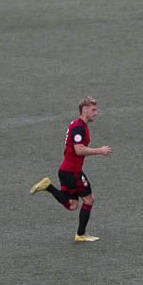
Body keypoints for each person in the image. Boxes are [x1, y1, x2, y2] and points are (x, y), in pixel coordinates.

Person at [29, 96, 113, 242]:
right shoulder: (79, 127)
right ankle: (80, 235)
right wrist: (100, 150)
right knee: (89, 200)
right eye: (93, 110)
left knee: (72, 205)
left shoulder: (78, 125)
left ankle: (48, 186)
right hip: (73, 172)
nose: (96, 112)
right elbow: (79, 150)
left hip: (66, 171)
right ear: (85, 110)